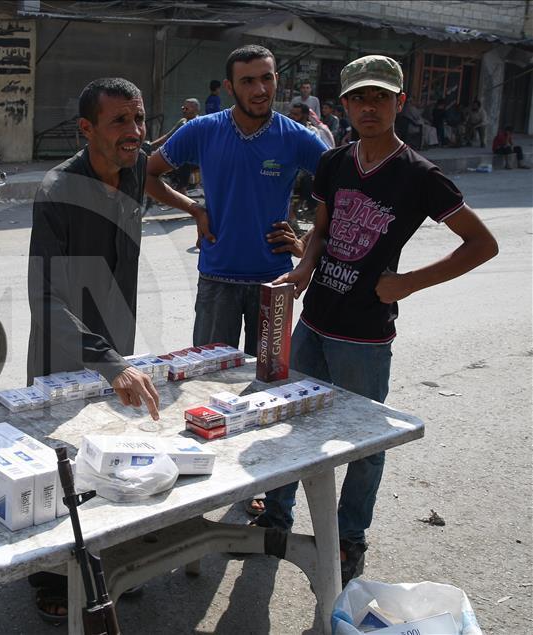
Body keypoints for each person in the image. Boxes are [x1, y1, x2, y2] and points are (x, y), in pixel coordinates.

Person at [262, 55, 498, 585]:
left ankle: (348, 539)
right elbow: (321, 228)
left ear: (399, 103)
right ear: (344, 104)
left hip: (365, 335)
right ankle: (275, 520)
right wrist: (303, 268)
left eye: (381, 97)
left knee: (362, 444)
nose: (369, 107)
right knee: (289, 422)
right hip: (315, 320)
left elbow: (482, 243)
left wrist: (407, 283)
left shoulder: (420, 176)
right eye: (359, 98)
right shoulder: (335, 161)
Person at [27, 76, 160, 624]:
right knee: (56, 468)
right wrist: (107, 362)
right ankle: (46, 574)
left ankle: (100, 562)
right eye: (119, 122)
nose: (133, 131)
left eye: (138, 119)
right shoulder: (57, 191)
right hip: (66, 353)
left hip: (118, 343)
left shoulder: (136, 171)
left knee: (108, 460)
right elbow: (46, 297)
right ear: (85, 130)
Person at [147, 45, 327, 356]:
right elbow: (147, 174)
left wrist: (305, 247)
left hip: (275, 281)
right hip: (217, 279)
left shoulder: (296, 137)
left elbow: (342, 193)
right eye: (247, 81)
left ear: (276, 80)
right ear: (229, 87)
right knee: (205, 382)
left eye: (266, 79)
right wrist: (193, 208)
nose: (259, 90)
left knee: (268, 385)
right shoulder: (202, 130)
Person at [150, 97, 200, 192]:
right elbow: (168, 136)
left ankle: (182, 190)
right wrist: (151, 144)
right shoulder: (182, 122)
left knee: (183, 162)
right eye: (183, 108)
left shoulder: (199, 124)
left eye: (187, 109)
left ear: (195, 109)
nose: (184, 111)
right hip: (180, 155)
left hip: (193, 159)